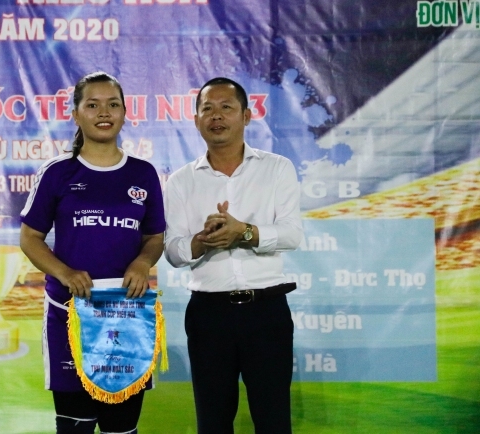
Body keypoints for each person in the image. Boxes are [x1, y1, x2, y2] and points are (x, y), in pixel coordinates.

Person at [20, 71, 165, 434]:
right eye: (93, 104)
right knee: (75, 426)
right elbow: (30, 238)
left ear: (124, 113)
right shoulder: (57, 173)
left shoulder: (144, 174)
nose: (104, 112)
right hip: (71, 314)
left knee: (121, 429)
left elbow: (155, 236)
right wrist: (65, 273)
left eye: (113, 104)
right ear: (76, 114)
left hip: (126, 316)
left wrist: (143, 261)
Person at [164, 77, 303, 433]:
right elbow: (174, 251)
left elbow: (291, 234)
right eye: (207, 109)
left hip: (266, 312)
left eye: (226, 107)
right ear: (196, 120)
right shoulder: (180, 181)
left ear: (247, 115)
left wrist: (244, 231)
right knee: (213, 422)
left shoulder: (277, 168)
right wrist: (203, 240)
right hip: (208, 316)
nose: (216, 116)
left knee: (273, 422)